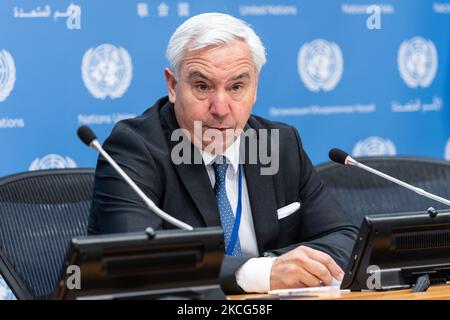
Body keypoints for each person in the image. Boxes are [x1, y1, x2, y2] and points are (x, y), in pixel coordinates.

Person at [88, 12, 358, 294]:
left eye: (236, 87)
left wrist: (276, 266)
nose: (220, 108)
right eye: (202, 87)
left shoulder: (279, 145)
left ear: (255, 88)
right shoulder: (134, 149)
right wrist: (259, 272)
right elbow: (137, 261)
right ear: (173, 86)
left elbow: (343, 238)